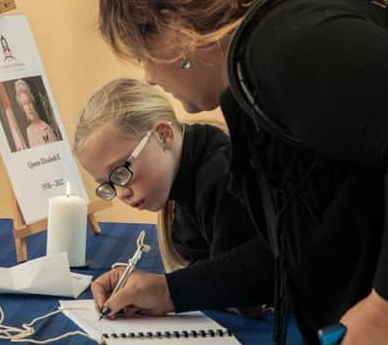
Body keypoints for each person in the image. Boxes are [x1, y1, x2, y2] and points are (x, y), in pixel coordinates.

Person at [91, 0, 388, 345]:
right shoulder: (257, 70)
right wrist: (171, 292)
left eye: (143, 56)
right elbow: (300, 246)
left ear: (173, 31)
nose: (150, 77)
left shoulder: (278, 49)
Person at [74, 77, 273, 316]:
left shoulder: (220, 178)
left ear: (163, 135)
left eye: (120, 172)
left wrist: (165, 290)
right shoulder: (186, 173)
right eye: (108, 185)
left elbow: (244, 294)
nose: (121, 193)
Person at [14, 79, 60, 147]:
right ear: (22, 108)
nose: (28, 107)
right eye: (24, 104)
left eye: (29, 102)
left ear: (33, 103)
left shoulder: (46, 127)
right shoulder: (28, 131)